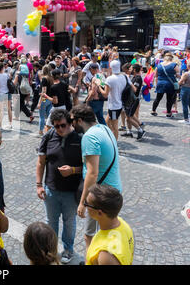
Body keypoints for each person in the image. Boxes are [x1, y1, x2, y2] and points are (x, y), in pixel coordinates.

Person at [69, 104, 122, 252]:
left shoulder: (89, 137)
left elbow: (93, 173)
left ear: (79, 120)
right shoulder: (104, 129)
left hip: (100, 195)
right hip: (113, 190)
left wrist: (82, 202)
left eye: (72, 120)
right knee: (108, 234)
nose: (71, 124)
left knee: (90, 236)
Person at [36, 109, 83, 264]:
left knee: (69, 222)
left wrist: (73, 170)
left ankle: (68, 249)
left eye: (63, 125)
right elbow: (41, 162)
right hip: (51, 190)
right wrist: (39, 185)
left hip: (71, 191)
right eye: (56, 126)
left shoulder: (80, 138)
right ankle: (51, 249)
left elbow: (90, 167)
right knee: (51, 221)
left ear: (70, 123)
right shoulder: (48, 137)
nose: (60, 129)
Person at [85, 185, 134, 265]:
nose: (85, 206)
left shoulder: (106, 256)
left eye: (87, 203)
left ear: (100, 213)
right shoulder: (123, 224)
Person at [100, 60, 130, 140]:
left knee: (114, 127)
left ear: (111, 67)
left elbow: (105, 94)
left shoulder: (110, 79)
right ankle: (108, 138)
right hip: (119, 104)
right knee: (107, 123)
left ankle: (114, 144)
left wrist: (98, 85)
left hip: (114, 106)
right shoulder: (124, 76)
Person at [121, 64, 146, 140]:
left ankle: (140, 130)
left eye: (131, 68)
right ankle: (129, 132)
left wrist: (128, 82)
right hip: (129, 100)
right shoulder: (135, 77)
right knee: (128, 116)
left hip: (133, 101)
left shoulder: (138, 78)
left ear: (134, 70)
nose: (130, 70)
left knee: (129, 118)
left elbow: (134, 89)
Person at [151, 52, 180, 118]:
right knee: (169, 99)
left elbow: (155, 75)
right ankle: (168, 113)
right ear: (171, 58)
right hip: (170, 84)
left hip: (160, 83)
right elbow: (178, 75)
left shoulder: (159, 65)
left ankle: (153, 111)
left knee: (158, 98)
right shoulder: (174, 65)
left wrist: (156, 83)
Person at [0, 62, 12, 129]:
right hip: (7, 93)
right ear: (2, 68)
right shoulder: (6, 75)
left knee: (1, 110)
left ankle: (0, 125)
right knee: (9, 109)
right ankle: (10, 124)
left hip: (0, 93)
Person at [37, 65, 54, 136]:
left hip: (44, 98)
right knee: (49, 116)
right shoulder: (51, 78)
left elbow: (44, 91)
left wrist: (40, 102)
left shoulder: (44, 79)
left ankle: (41, 131)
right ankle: (50, 131)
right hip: (50, 99)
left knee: (42, 116)